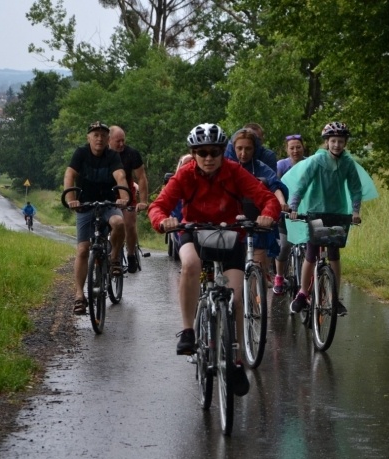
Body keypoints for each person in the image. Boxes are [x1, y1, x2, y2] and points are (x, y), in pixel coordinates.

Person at [148, 123, 280, 357]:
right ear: (194, 153)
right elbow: (158, 206)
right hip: (194, 231)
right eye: (202, 152)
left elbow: (267, 198)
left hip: (230, 234)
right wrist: (162, 221)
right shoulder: (185, 174)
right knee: (190, 265)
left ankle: (237, 358)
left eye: (214, 152)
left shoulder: (235, 171)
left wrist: (267, 216)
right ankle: (188, 331)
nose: (208, 158)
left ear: (222, 152)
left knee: (236, 299)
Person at [283, 121, 378, 316]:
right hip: (316, 212)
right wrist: (293, 207)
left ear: (345, 143)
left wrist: (356, 211)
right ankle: (302, 293)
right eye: (333, 141)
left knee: (334, 254)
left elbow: (355, 188)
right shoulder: (316, 162)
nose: (337, 145)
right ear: (327, 142)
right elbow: (302, 185)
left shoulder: (348, 163)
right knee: (311, 252)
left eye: (340, 141)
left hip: (337, 213)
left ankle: (335, 296)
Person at [63, 121, 130, 315]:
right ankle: (79, 296)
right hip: (85, 205)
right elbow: (69, 175)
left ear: (108, 139)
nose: (99, 138)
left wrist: (124, 198)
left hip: (109, 204)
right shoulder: (81, 154)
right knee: (83, 249)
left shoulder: (112, 156)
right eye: (95, 135)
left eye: (103, 135)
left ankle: (115, 258)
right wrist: (71, 199)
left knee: (119, 223)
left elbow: (120, 177)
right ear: (89, 138)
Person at [227, 128, 289, 275]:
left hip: (257, 218)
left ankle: (257, 293)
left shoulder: (261, 167)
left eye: (248, 149)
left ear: (255, 149)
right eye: (239, 148)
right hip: (232, 220)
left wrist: (281, 202)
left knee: (259, 264)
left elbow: (274, 185)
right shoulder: (226, 168)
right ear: (233, 148)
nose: (243, 153)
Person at [108, 125, 149, 274]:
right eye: (117, 141)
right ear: (109, 140)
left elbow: (142, 177)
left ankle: (131, 254)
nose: (121, 144)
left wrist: (143, 201)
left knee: (129, 224)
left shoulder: (132, 154)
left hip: (127, 191)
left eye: (123, 141)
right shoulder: (101, 153)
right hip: (106, 191)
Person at [273, 134, 308, 294]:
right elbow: (276, 187)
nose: (295, 151)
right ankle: (279, 277)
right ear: (286, 150)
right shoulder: (281, 166)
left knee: (310, 247)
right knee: (285, 246)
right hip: (285, 212)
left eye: (298, 147)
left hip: (306, 211)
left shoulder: (310, 163)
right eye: (292, 148)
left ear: (303, 147)